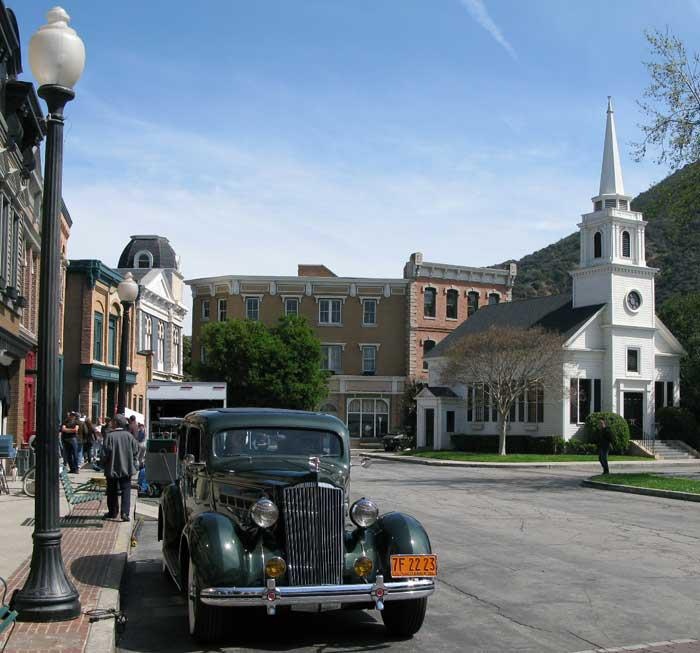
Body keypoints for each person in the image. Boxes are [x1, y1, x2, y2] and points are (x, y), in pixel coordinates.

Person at [101, 414, 139, 522]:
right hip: (126, 468)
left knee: (112, 491)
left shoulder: (109, 436)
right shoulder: (129, 436)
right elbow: (136, 450)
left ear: (116, 423)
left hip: (112, 468)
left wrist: (103, 463)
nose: (111, 423)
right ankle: (125, 513)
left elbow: (104, 453)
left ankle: (113, 512)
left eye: (113, 422)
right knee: (126, 490)